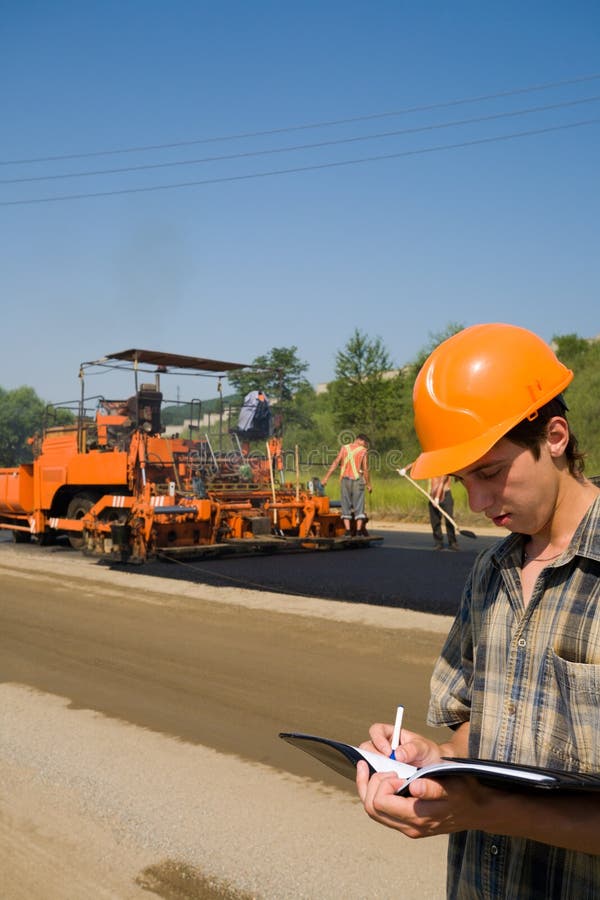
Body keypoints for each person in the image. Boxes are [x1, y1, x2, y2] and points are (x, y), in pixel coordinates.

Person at [355, 323, 600, 899]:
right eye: (463, 480)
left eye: (490, 472)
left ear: (555, 436)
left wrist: (483, 810)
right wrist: (432, 760)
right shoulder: (489, 575)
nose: (479, 503)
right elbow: (479, 734)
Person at [322, 433, 372, 535]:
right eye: (365, 443)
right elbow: (365, 469)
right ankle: (358, 532)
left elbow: (336, 462)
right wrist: (368, 484)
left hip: (345, 480)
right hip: (358, 481)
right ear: (360, 440)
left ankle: (348, 531)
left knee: (346, 506)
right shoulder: (363, 451)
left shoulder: (344, 448)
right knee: (359, 506)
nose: (365, 445)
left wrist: (326, 478)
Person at [429, 474, 458, 550]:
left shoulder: (444, 468)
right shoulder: (431, 467)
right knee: (435, 521)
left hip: (445, 496)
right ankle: (438, 542)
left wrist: (437, 498)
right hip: (432, 496)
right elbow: (417, 463)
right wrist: (405, 469)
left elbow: (441, 482)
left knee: (449, 520)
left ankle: (452, 542)